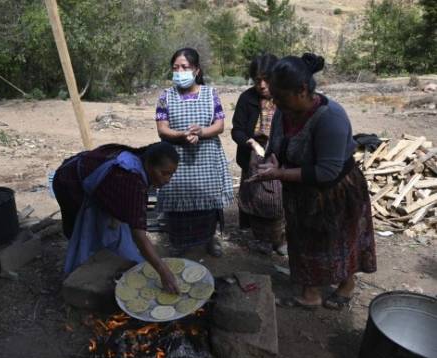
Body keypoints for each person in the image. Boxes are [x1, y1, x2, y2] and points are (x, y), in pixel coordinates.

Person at [254, 53, 376, 310]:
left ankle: (346, 285)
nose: (275, 102)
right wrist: (273, 161)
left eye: (280, 96)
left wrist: (280, 174)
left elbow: (326, 171)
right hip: (300, 193)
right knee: (303, 242)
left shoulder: (330, 117)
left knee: (339, 241)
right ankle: (310, 294)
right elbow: (276, 145)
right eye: (274, 96)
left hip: (335, 192)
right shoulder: (283, 111)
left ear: (302, 90)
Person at [52, 142, 180, 293]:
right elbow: (139, 235)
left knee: (109, 228)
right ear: (149, 164)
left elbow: (118, 198)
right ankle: (79, 274)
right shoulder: (131, 181)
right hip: (69, 182)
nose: (167, 180)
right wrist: (163, 271)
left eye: (171, 174)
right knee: (80, 230)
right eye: (164, 173)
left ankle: (97, 258)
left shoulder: (136, 164)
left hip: (88, 176)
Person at [155, 47, 233, 258]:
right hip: (176, 160)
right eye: (175, 68)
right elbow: (162, 129)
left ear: (197, 70)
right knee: (179, 201)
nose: (179, 71)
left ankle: (209, 238)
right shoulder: (166, 97)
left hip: (206, 157)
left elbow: (219, 126)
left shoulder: (210, 94)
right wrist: (181, 135)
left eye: (185, 67)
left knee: (207, 202)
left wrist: (201, 131)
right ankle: (179, 242)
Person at [231, 53, 286, 256]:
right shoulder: (247, 98)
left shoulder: (286, 97)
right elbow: (237, 130)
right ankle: (261, 238)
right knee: (257, 198)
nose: (262, 85)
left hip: (280, 156)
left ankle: (280, 238)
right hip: (254, 154)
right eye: (257, 80)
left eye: (267, 79)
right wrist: (251, 142)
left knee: (279, 200)